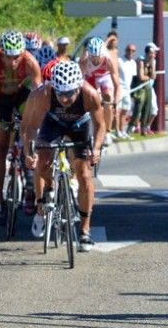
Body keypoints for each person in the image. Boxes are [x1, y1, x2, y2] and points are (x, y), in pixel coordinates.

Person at [22, 60, 107, 252]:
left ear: (78, 87)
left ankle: (85, 230)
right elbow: (32, 128)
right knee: (41, 164)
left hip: (80, 125)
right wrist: (30, 153)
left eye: (70, 93)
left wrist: (96, 148)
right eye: (60, 93)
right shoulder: (45, 94)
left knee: (84, 173)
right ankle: (51, 187)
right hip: (54, 122)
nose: (65, 99)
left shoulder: (90, 94)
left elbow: (101, 125)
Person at [0, 30, 42, 223]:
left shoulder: (30, 62)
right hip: (1, 100)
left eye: (17, 56)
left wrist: (34, 121)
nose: (13, 61)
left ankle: (31, 179)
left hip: (23, 96)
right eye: (9, 57)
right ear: (2, 53)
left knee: (28, 131)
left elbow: (40, 94)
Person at [79, 35, 120, 147]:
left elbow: (117, 84)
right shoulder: (84, 60)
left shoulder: (108, 59)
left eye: (98, 57)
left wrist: (115, 102)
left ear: (103, 53)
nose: (95, 60)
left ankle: (107, 132)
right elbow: (79, 81)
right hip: (90, 77)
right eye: (93, 57)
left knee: (108, 98)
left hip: (104, 77)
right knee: (91, 100)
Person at [131, 43, 158, 135]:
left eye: (155, 53)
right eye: (153, 53)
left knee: (153, 109)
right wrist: (149, 76)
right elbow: (141, 77)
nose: (154, 55)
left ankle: (146, 126)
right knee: (138, 109)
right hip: (140, 88)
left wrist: (152, 67)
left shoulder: (153, 61)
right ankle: (136, 127)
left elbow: (153, 76)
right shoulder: (141, 60)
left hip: (149, 87)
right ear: (148, 53)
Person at [116, 41, 138, 140]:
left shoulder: (133, 63)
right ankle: (117, 131)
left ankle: (122, 130)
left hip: (127, 90)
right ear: (125, 50)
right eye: (128, 50)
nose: (130, 52)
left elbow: (132, 78)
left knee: (125, 111)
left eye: (133, 50)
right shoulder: (119, 60)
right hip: (119, 89)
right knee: (118, 110)